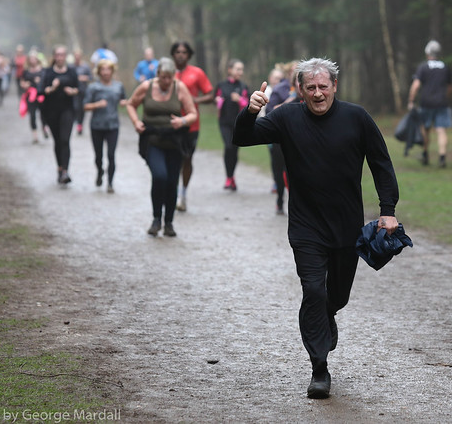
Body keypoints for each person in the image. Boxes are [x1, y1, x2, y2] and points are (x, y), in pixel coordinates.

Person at [233, 57, 399, 399]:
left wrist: (388, 211)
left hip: (346, 227)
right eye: (311, 87)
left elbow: (381, 164)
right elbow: (242, 138)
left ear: (335, 87)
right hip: (306, 227)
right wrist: (251, 111)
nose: (319, 93)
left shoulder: (357, 118)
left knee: (335, 296)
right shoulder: (286, 116)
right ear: (300, 90)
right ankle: (319, 369)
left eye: (324, 86)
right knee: (314, 291)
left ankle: (327, 316)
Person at [126, 57, 198, 237]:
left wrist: (182, 121)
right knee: (159, 176)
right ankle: (156, 218)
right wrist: (136, 122)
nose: (166, 81)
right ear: (157, 74)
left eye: (169, 78)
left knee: (172, 181)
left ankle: (169, 223)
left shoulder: (179, 88)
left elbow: (193, 114)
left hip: (174, 142)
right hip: (152, 140)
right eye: (163, 77)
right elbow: (130, 104)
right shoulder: (146, 87)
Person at [171, 41, 214, 212]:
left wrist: (195, 100)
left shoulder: (197, 73)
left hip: (191, 124)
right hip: (171, 123)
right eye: (177, 52)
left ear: (189, 55)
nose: (181, 55)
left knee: (187, 159)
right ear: (173, 54)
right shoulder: (167, 73)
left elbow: (210, 94)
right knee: (171, 159)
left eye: (184, 52)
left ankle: (183, 194)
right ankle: (171, 193)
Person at [83, 59, 127, 194]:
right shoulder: (93, 87)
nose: (106, 72)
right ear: (99, 71)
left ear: (112, 71)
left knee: (111, 155)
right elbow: (85, 106)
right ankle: (100, 171)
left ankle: (110, 183)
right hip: (97, 126)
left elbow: (123, 100)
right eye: (103, 69)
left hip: (113, 125)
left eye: (108, 69)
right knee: (98, 155)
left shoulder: (118, 86)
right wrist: (97, 105)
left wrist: (126, 103)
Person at [407, 40, 452, 168]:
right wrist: (447, 98)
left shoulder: (423, 66)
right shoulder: (445, 67)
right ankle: (442, 157)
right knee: (441, 130)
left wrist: (411, 101)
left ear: (428, 53)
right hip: (442, 103)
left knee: (425, 130)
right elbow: (450, 88)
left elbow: (416, 86)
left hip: (426, 103)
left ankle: (425, 155)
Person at [39, 45, 79, 185]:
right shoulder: (47, 73)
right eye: (58, 55)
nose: (60, 57)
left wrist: (73, 92)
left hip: (67, 110)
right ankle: (59, 168)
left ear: (65, 56)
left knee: (65, 140)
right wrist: (52, 88)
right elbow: (40, 91)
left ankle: (65, 171)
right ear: (54, 56)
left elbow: (79, 89)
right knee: (57, 141)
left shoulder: (72, 71)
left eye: (62, 55)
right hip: (51, 111)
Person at [214, 58, 249, 191]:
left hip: (238, 123)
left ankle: (231, 177)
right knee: (228, 146)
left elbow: (249, 104)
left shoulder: (243, 86)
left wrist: (239, 99)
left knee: (234, 150)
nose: (240, 72)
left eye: (241, 69)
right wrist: (218, 101)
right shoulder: (221, 85)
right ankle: (229, 177)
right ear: (230, 70)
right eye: (238, 69)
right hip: (224, 122)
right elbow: (215, 99)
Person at [264, 66, 289, 214]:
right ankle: (280, 197)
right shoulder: (273, 91)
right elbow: (268, 111)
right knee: (278, 168)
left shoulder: (304, 92)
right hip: (274, 136)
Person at [19, 51, 46, 144]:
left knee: (44, 114)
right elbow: (21, 82)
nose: (32, 60)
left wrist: (41, 82)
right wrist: (24, 85)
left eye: (34, 58)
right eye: (31, 58)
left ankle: (44, 128)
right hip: (30, 96)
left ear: (37, 59)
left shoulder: (43, 70)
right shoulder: (26, 71)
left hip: (41, 95)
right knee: (32, 115)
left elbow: (47, 81)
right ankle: (35, 136)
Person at [71, 49, 92, 136]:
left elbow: (91, 77)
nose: (77, 57)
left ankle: (80, 124)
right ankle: (77, 121)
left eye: (78, 56)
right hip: (74, 91)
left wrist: (84, 78)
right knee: (75, 107)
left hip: (83, 90)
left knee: (82, 108)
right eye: (75, 56)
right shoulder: (71, 66)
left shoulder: (85, 66)